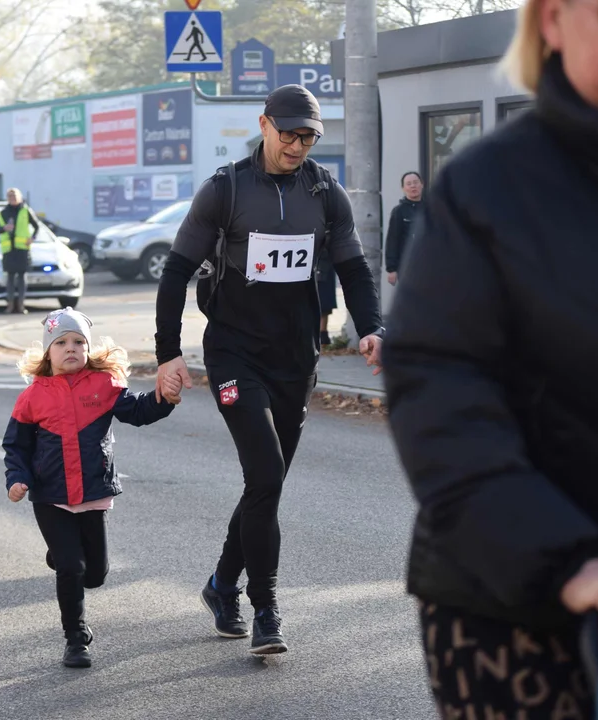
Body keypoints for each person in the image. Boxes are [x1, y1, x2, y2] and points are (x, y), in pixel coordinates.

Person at [381, 0, 598, 714]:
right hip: (524, 616)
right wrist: (565, 567)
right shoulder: (484, 186)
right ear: (550, 23)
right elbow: (440, 398)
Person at [154, 84, 383, 655]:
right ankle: (266, 609)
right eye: (289, 134)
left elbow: (354, 269)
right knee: (265, 474)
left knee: (267, 483)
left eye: (309, 136)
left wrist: (372, 327)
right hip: (235, 354)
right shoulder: (225, 190)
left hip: (294, 358)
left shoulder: (325, 193)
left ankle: (220, 585)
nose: (298, 146)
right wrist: (167, 353)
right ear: (263, 125)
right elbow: (175, 272)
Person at [3, 307, 178, 668]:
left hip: (93, 494)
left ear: (88, 348)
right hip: (51, 496)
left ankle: (61, 556)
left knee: (94, 573)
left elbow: (139, 412)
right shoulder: (33, 396)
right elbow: (16, 446)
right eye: (62, 342)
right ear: (48, 352)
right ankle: (75, 638)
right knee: (72, 567)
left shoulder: (104, 385)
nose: (71, 348)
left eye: (79, 342)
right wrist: (17, 479)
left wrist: (164, 398)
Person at [0, 188, 39, 315]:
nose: (12, 198)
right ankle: (10, 305)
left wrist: (33, 238)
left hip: (22, 249)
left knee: (22, 278)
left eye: (14, 196)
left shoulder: (25, 210)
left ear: (20, 197)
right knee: (10, 279)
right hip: (9, 250)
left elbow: (37, 226)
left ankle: (21, 305)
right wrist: (4, 228)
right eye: (9, 196)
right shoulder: (3, 213)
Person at [383, 171, 424, 286]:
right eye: (409, 184)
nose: (413, 186)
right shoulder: (399, 211)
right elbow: (392, 240)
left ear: (422, 184)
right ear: (403, 188)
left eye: (415, 182)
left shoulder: (431, 209)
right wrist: (392, 269)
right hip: (407, 266)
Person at [315, 246, 337, 346]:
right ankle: (322, 335)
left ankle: (323, 335)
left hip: (325, 264)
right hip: (317, 263)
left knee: (324, 304)